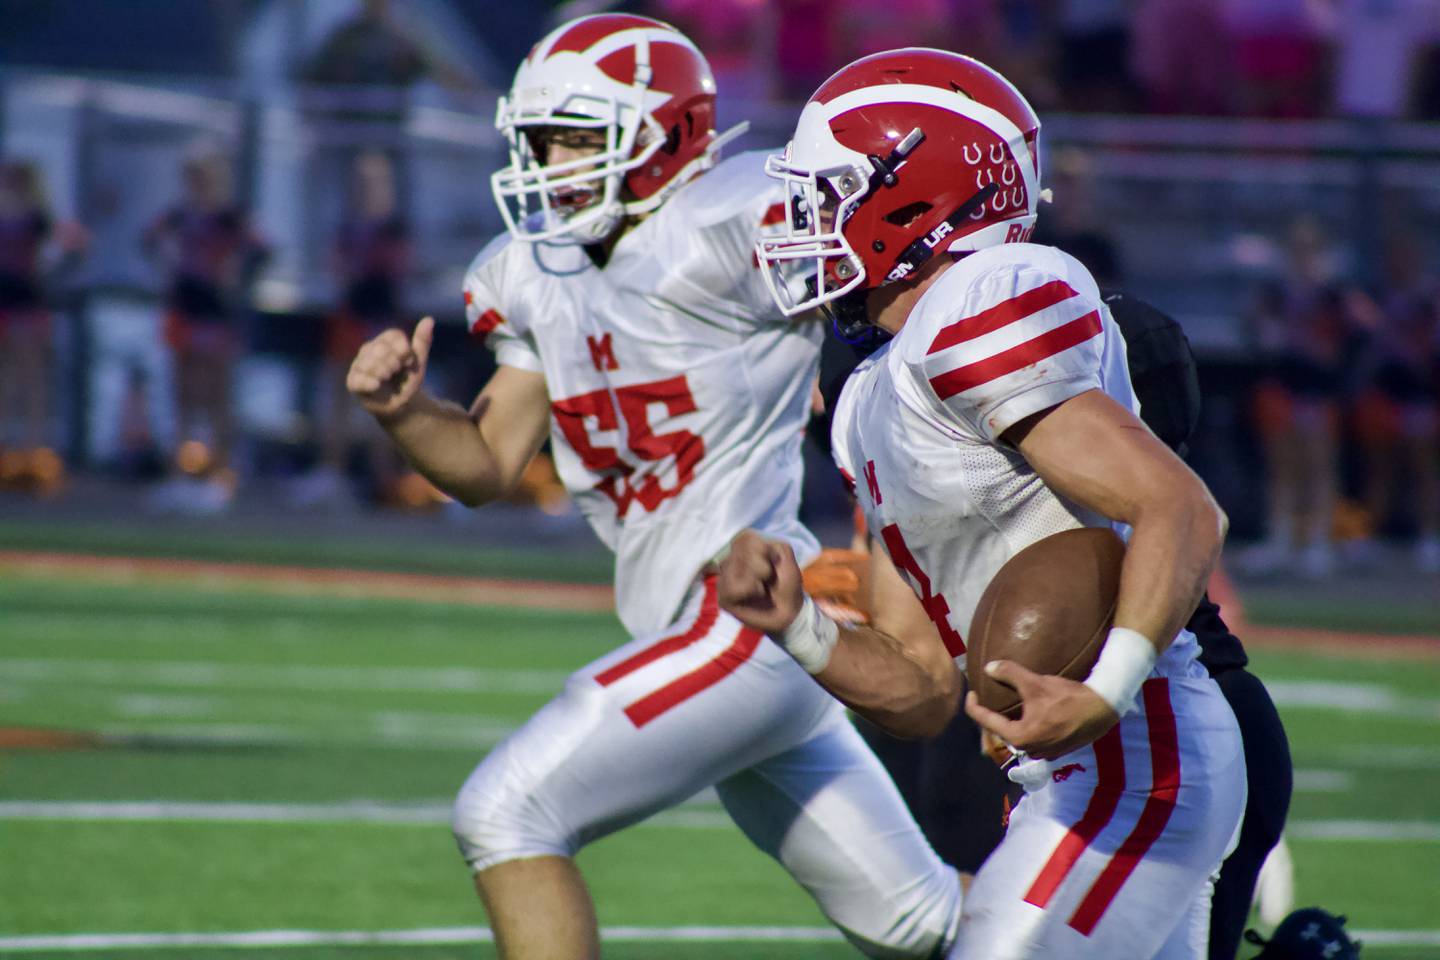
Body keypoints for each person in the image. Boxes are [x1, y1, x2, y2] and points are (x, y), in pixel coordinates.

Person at [345, 15, 962, 960]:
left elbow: (884, 304)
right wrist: (404, 411)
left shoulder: (727, 221)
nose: (550, 161)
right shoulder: (532, 270)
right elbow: (484, 462)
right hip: (701, 627)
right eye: (541, 138)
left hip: (748, 613)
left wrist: (897, 509)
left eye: (576, 137)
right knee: (923, 925)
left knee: (507, 812)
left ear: (666, 134)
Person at [722, 48, 1246, 958]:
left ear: (921, 203)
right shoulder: (867, 398)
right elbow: (923, 689)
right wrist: (797, 624)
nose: (799, 221)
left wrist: (1103, 694)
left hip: (1137, 750)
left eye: (828, 193)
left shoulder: (985, 299)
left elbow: (1182, 508)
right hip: (1065, 772)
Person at [141, 145, 267, 514]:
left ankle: (218, 474)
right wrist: (168, 268)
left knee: (216, 393)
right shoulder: (179, 216)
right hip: (185, 305)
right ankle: (179, 474)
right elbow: (148, 241)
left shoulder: (231, 217)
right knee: (182, 391)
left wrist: (235, 275)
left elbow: (262, 250)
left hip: (217, 310)